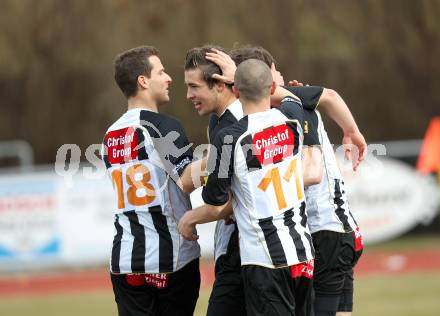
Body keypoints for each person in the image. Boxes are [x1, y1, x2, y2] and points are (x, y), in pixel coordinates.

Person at [179, 59, 322, 316]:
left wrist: (188, 219)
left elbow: (215, 202)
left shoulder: (229, 138)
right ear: (271, 88)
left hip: (265, 259)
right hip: (302, 252)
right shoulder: (293, 117)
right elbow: (290, 98)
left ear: (235, 92)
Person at [229, 46, 366, 316]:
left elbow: (330, 96)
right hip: (338, 228)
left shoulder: (291, 105)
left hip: (325, 230)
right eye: (276, 69)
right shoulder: (286, 112)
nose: (280, 74)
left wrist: (351, 131)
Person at [101, 45, 203, 316]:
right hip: (171, 260)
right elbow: (187, 181)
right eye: (161, 71)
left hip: (125, 261)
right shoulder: (160, 126)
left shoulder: (110, 135)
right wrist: (224, 152)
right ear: (143, 81)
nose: (168, 78)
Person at [184, 45, 246, 316]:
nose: (189, 95)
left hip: (248, 252)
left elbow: (240, 196)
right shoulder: (217, 122)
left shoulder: (245, 122)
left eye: (194, 86)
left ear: (220, 84)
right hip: (233, 249)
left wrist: (190, 217)